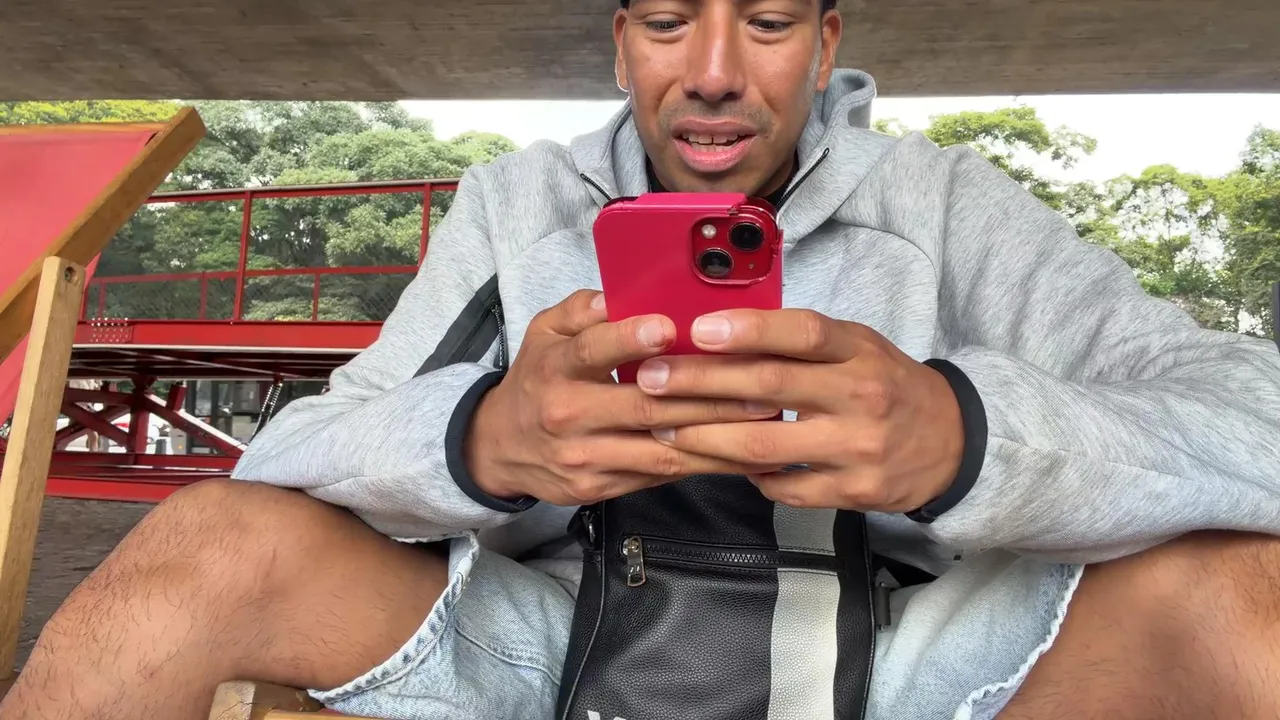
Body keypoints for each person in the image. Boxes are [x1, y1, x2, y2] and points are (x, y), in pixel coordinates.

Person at [5, 0, 1280, 718]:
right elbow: (293, 452)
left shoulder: (949, 206)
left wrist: (966, 437)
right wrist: (481, 438)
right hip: (551, 643)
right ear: (620, 46)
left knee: (1243, 582)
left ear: (825, 42)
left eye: (766, 22)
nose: (713, 75)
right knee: (205, 533)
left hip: (903, 661)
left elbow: (1251, 419)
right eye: (669, 22)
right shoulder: (515, 206)